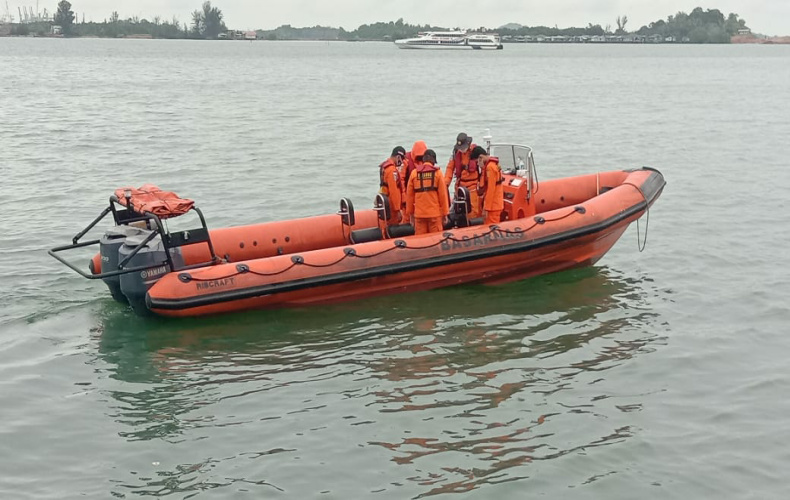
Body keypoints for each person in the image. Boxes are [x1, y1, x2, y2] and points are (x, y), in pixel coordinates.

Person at [405, 149, 449, 235]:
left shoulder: (414, 173)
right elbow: (443, 195)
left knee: (420, 240)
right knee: (436, 239)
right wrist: (445, 214)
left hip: (419, 215)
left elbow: (409, 196)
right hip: (434, 215)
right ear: (433, 161)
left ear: (423, 160)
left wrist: (411, 214)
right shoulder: (438, 173)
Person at [444, 132, 482, 218]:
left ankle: (472, 224)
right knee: (458, 210)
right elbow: (450, 169)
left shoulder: (475, 152)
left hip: (473, 187)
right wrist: (445, 184)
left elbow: (483, 168)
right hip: (460, 187)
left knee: (473, 211)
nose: (462, 149)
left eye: (463, 147)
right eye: (460, 148)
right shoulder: (455, 153)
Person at [469, 146, 504, 225]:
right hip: (494, 204)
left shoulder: (490, 168)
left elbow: (491, 189)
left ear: (481, 157)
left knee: (491, 226)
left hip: (493, 206)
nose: (477, 164)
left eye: (477, 161)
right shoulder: (491, 165)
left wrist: (486, 208)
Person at [379, 146, 406, 226]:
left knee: (385, 226)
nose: (402, 162)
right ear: (398, 157)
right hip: (391, 206)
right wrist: (397, 210)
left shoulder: (384, 167)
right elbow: (393, 191)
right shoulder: (392, 170)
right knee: (393, 227)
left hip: (385, 201)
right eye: (402, 159)